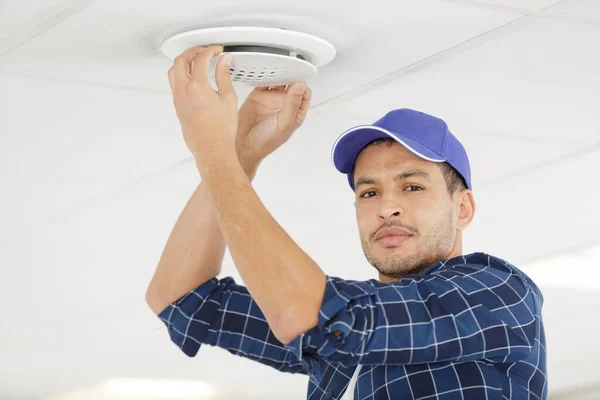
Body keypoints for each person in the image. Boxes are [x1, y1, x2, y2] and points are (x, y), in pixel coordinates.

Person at [146, 46, 547, 399]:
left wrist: (212, 150)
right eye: (369, 192)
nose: (386, 207)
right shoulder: (345, 339)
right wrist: (239, 153)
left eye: (412, 187)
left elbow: (305, 312)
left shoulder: (499, 294)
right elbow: (181, 299)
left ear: (463, 209)